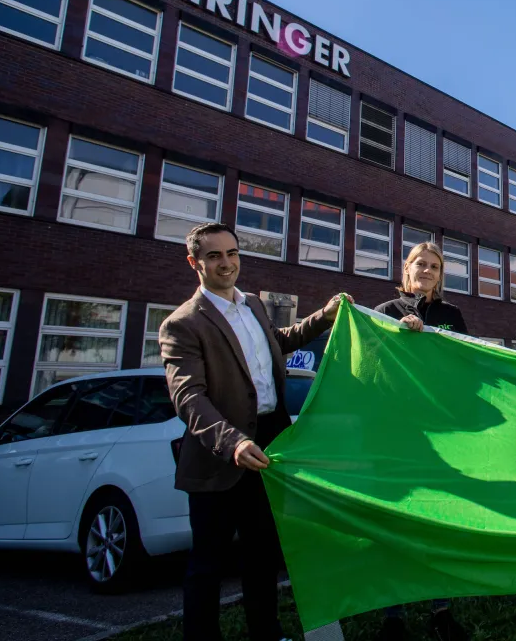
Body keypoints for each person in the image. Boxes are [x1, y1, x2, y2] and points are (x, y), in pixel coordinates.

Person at [160, 222, 349, 641]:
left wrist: (325, 316)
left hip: (270, 448)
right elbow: (188, 398)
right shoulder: (183, 324)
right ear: (195, 263)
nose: (226, 263)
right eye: (214, 256)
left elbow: (280, 341)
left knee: (262, 555)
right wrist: (233, 442)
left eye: (231, 253)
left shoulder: (254, 307)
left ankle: (266, 632)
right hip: (221, 456)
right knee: (208, 564)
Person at [371, 240, 469, 641]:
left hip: (441, 434)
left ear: (440, 275)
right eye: (420, 264)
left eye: (434, 266)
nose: (426, 271)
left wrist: (428, 337)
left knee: (437, 522)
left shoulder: (452, 314)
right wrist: (401, 338)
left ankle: (440, 609)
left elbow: (465, 365)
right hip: (395, 436)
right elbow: (372, 369)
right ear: (406, 269)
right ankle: (393, 616)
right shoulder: (381, 313)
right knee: (395, 524)